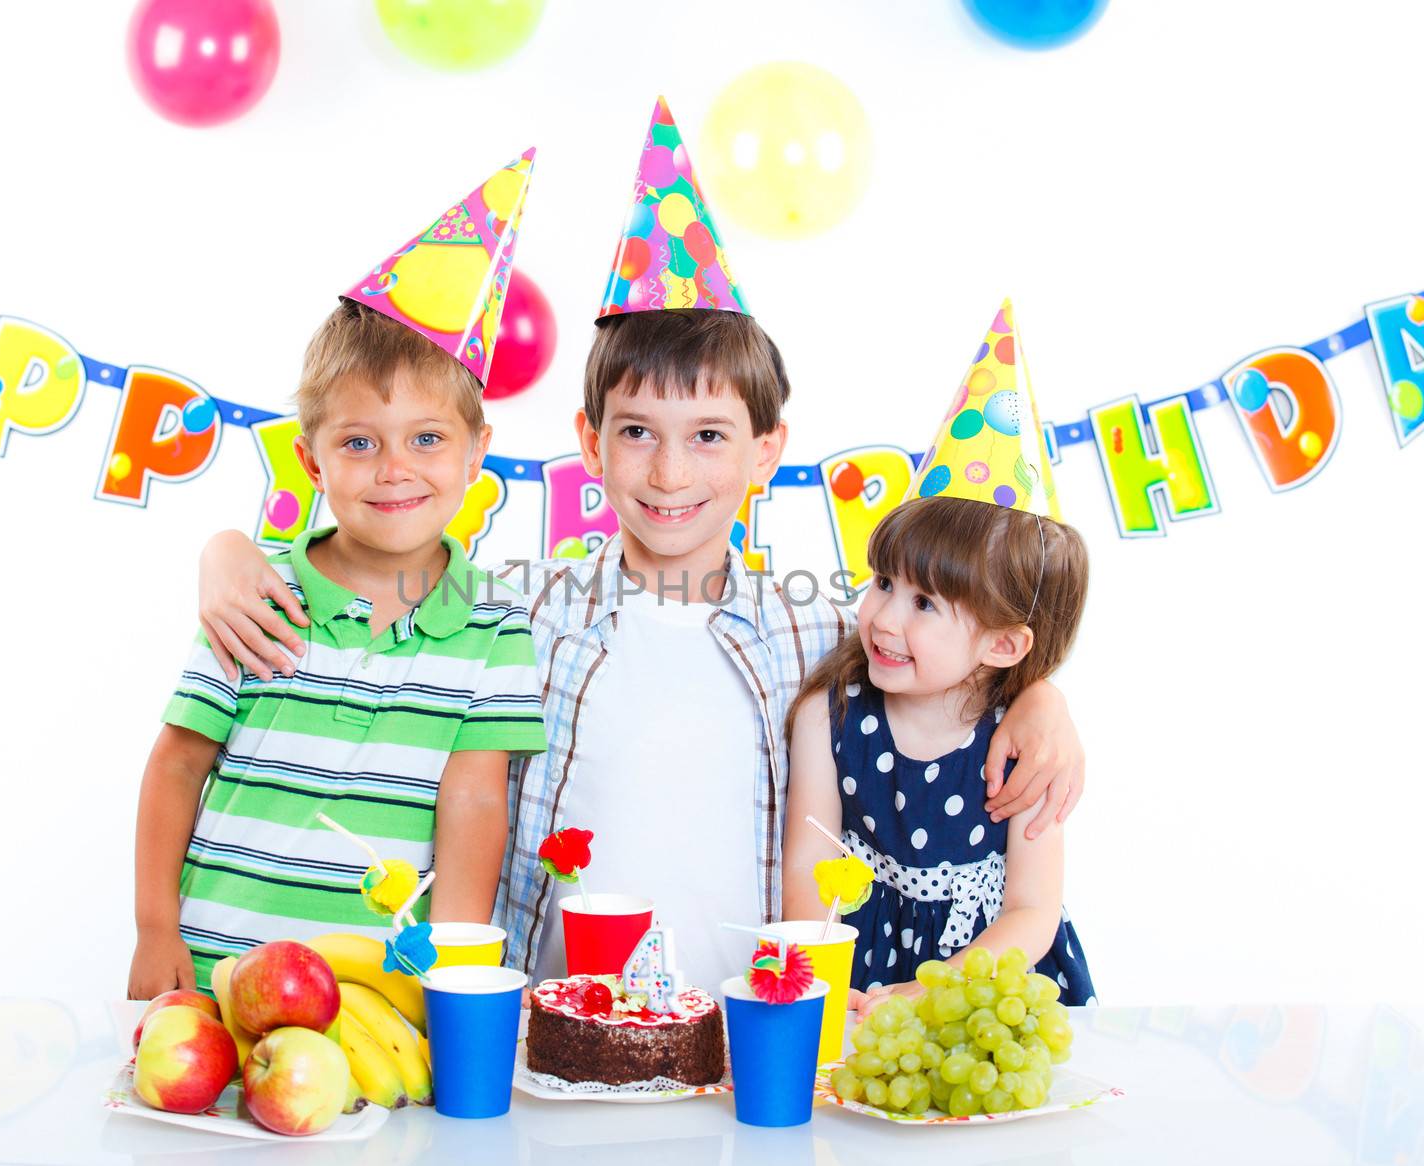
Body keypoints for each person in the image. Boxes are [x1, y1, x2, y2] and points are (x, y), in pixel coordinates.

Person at [190, 103, 1087, 990]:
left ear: (766, 452)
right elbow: (374, 578)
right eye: (636, 433)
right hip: (549, 1032)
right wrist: (228, 551)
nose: (667, 473)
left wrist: (1040, 694)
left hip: (747, 1034)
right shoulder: (514, 612)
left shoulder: (817, 630)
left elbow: (946, 656)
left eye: (707, 436)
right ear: (589, 442)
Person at [126, 156, 548, 998]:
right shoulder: (256, 596)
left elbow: (471, 809)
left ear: (476, 454)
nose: (395, 469)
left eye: (426, 439)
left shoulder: (495, 627)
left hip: (374, 996)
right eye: (360, 442)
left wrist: (458, 976)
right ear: (310, 460)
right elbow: (177, 763)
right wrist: (153, 928)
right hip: (214, 970)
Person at [782, 302, 1096, 1010]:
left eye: (925, 604)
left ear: (1004, 643)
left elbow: (1031, 911)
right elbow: (808, 863)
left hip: (985, 985)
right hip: (855, 975)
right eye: (884, 583)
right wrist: (823, 980)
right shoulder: (827, 717)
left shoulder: (1023, 744)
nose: (885, 618)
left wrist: (932, 993)